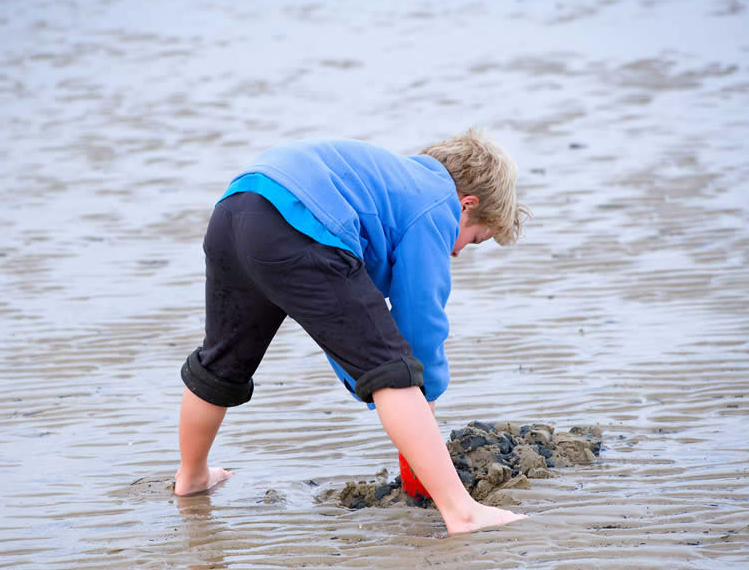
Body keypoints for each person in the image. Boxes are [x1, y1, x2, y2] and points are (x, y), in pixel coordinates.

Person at [174, 128, 530, 534]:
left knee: (222, 359)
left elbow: (342, 323)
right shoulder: (436, 204)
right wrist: (420, 390)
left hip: (236, 208)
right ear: (467, 205)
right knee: (391, 367)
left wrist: (372, 375)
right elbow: (420, 318)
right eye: (474, 239)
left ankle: (191, 477)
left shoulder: (390, 180)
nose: (456, 250)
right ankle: (462, 512)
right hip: (298, 221)